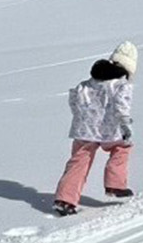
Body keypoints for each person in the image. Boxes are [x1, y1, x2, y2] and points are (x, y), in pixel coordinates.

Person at [53, 42, 137, 216]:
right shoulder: (121, 85)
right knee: (122, 148)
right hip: (110, 130)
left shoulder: (87, 83)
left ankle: (65, 200)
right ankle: (115, 185)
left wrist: (81, 118)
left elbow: (74, 98)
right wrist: (125, 124)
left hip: (84, 129)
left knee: (79, 161)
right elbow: (122, 106)